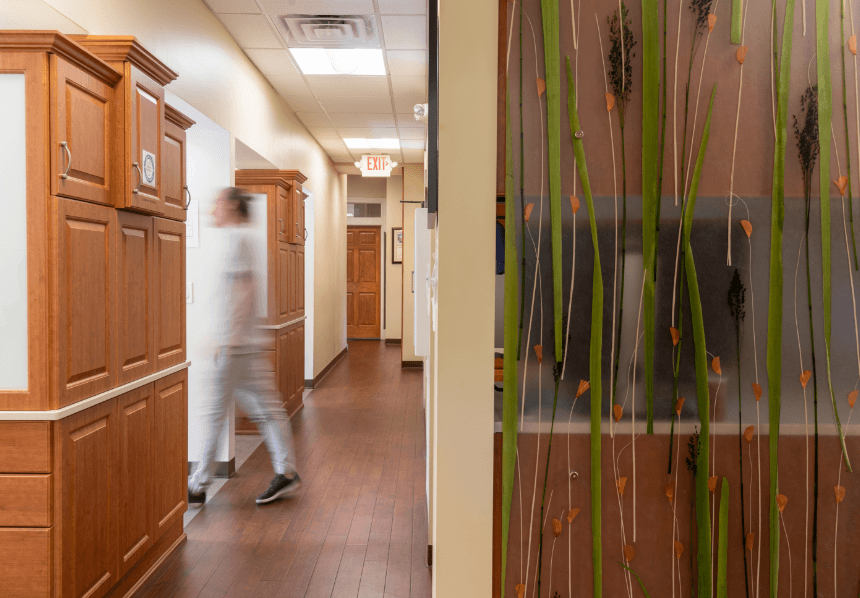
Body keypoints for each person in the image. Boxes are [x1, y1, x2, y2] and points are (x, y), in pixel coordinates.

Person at [188, 187, 301, 505]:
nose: (213, 211)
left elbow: (244, 289)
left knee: (213, 414)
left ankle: (198, 483)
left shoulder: (238, 239)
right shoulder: (238, 239)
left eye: (217, 204)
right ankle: (287, 472)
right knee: (267, 411)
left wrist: (229, 338)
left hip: (233, 346)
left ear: (233, 206)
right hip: (243, 344)